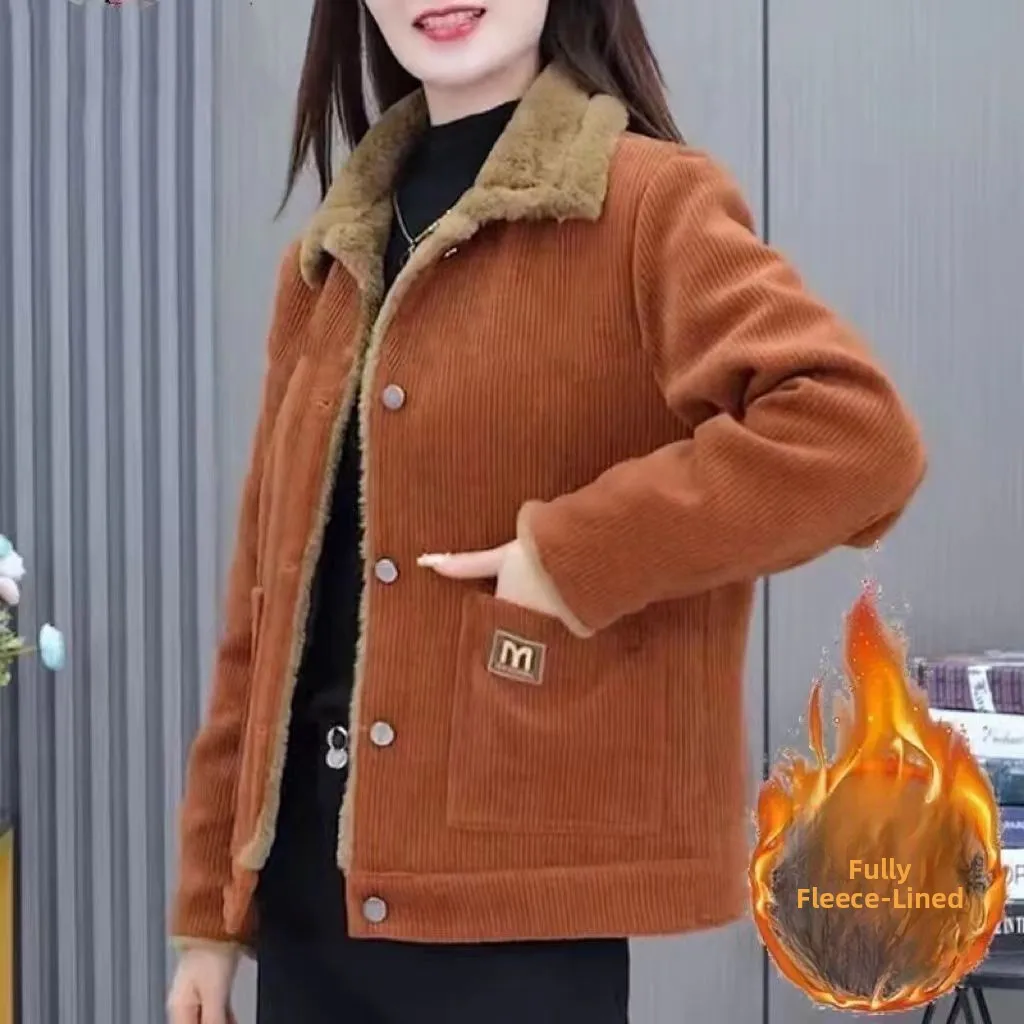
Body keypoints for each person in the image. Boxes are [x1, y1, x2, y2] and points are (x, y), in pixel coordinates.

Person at [166, 0, 927, 1021]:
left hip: (512, 924)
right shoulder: (329, 258)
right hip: (307, 905)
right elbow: (262, 618)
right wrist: (209, 920)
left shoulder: (648, 205)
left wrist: (574, 555)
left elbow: (855, 437)